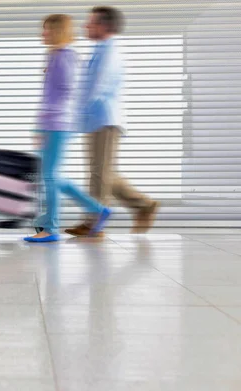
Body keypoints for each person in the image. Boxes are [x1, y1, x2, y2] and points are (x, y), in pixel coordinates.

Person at [66, 6, 160, 237]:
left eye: (91, 23)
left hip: (104, 120)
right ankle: (144, 205)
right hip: (95, 121)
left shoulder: (110, 51)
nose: (85, 27)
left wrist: (72, 117)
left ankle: (93, 224)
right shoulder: (100, 49)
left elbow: (97, 88)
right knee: (103, 172)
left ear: (104, 26)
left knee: (99, 173)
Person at [25, 14, 111, 243]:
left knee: (51, 177)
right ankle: (97, 210)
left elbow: (66, 96)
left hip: (57, 125)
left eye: (46, 30)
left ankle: (51, 228)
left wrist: (41, 128)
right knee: (52, 176)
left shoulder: (64, 58)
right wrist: (39, 127)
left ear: (57, 31)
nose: (42, 34)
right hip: (54, 124)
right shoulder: (57, 56)